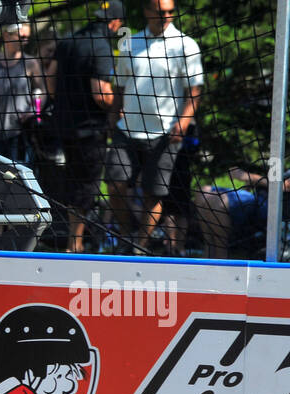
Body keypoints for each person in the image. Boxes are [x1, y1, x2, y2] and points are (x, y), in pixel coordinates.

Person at [105, 0, 203, 253]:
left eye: (170, 12)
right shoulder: (130, 43)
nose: (166, 16)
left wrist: (183, 122)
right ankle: (126, 236)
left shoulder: (186, 45)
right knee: (114, 185)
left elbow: (194, 92)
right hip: (127, 129)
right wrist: (113, 116)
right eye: (161, 12)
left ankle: (139, 247)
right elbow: (120, 86)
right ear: (146, 11)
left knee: (154, 194)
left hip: (165, 133)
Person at [47, 0, 124, 252]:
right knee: (86, 186)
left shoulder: (69, 40)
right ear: (115, 23)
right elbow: (100, 93)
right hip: (89, 130)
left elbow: (50, 78)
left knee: (72, 183)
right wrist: (119, 107)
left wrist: (65, 102)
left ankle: (75, 239)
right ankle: (75, 244)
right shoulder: (102, 47)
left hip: (64, 125)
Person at [0, 20, 43, 165]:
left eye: (27, 37)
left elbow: (42, 90)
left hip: (20, 133)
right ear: (7, 35)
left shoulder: (30, 63)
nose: (25, 41)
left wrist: (34, 109)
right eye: (21, 37)